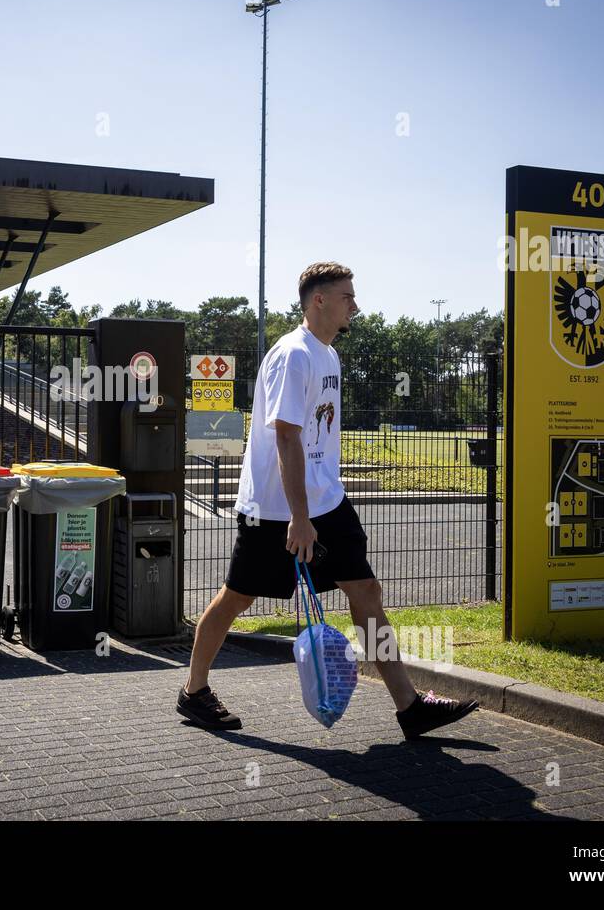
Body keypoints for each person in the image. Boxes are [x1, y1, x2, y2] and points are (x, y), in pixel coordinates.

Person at [179, 262, 480, 740]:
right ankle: (194, 691)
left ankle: (410, 707)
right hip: (276, 511)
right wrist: (299, 518)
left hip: (327, 502)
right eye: (347, 296)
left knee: (366, 592)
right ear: (319, 300)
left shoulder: (329, 355)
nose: (355, 306)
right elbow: (286, 439)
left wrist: (318, 505)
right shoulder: (292, 355)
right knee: (238, 597)